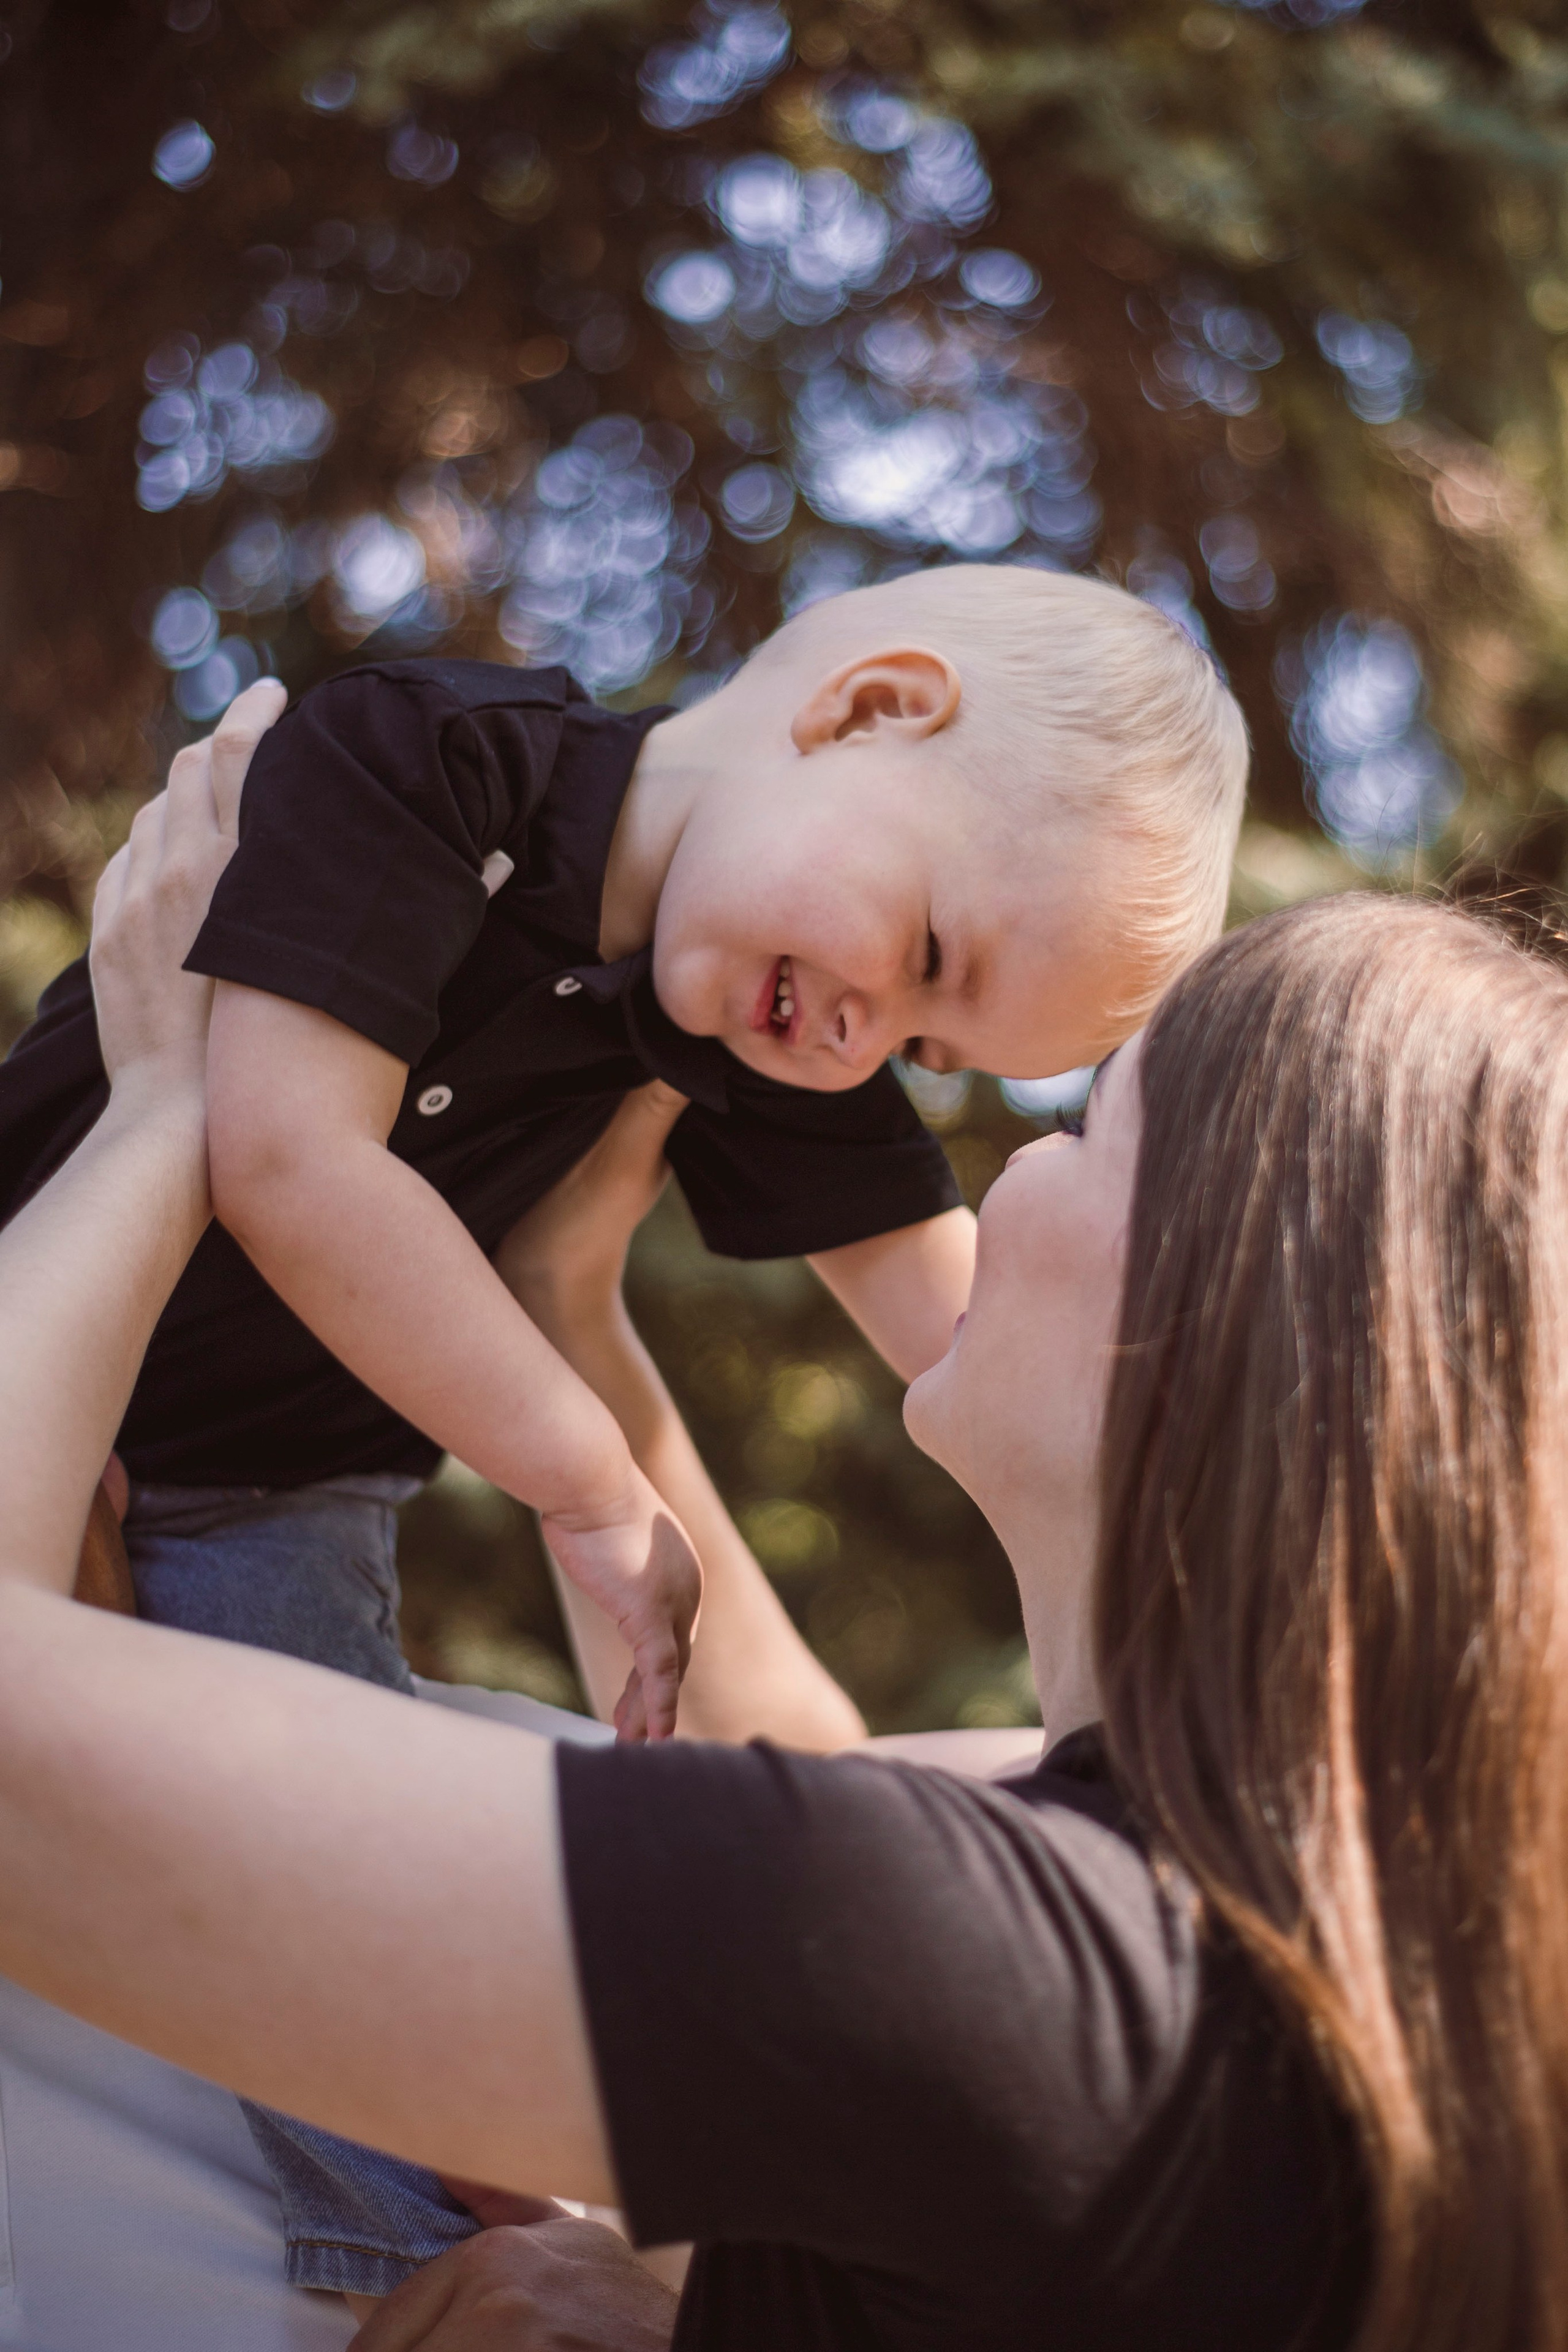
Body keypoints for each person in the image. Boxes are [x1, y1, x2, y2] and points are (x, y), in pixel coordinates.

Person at [16, 747, 1568, 2352]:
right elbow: (819, 1768)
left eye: (1099, 1129)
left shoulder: (982, 1957)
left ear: (1212, 1329)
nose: (1015, 1158)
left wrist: (159, 1117)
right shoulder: (1326, 1952)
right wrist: (572, 1312)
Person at [0, 567, 1246, 2301]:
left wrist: (1285, 1463)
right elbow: (286, 1158)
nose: (870, 1042)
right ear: (870, 708)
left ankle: (387, 2282)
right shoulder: (431, 761)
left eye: (937, 1043)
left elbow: (998, 1342)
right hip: (33, 1309)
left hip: (265, 1494)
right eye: (932, 960)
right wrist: (588, 1479)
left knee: (354, 1883)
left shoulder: (751, 1022)